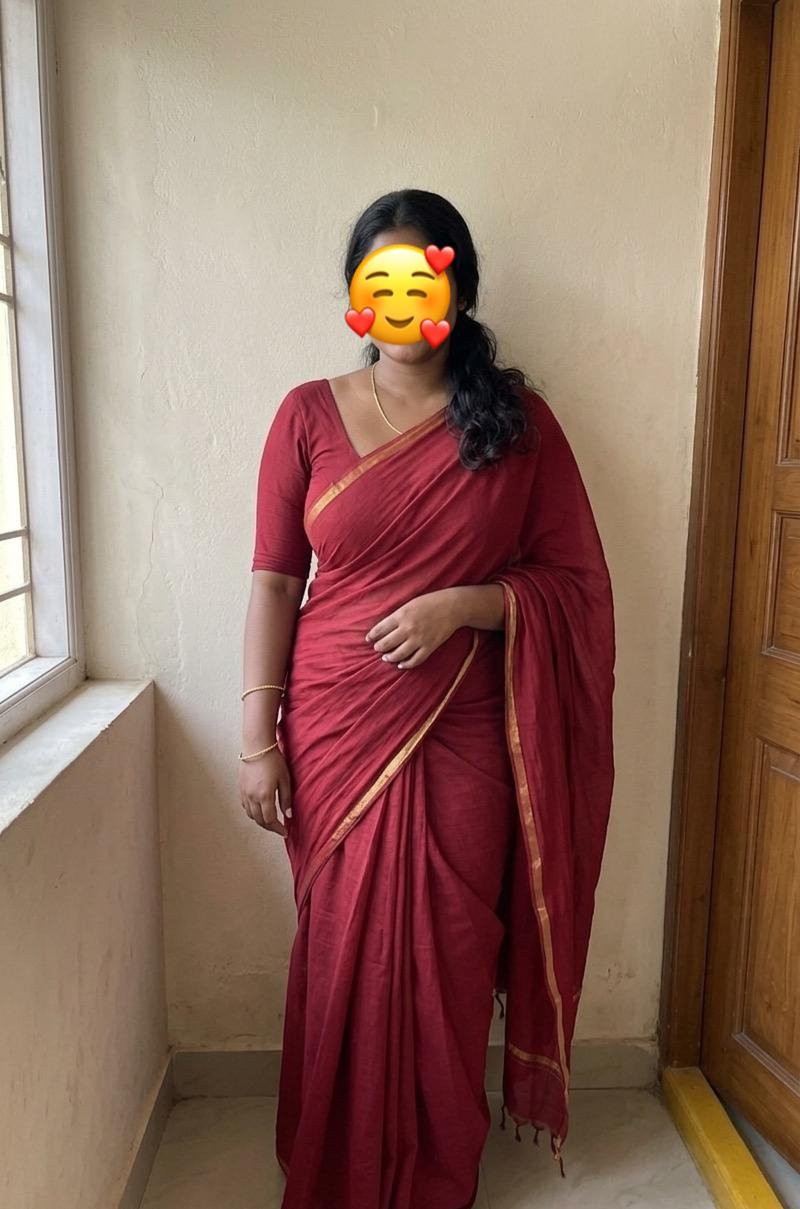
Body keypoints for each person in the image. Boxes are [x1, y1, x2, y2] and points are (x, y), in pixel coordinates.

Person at [239, 188, 615, 1209]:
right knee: (341, 946)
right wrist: (256, 738)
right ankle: (337, 1156)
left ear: (458, 290)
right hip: (330, 723)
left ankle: (434, 1166)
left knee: (449, 945)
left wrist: (465, 605)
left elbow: (574, 588)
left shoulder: (517, 426)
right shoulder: (305, 414)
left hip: (462, 724)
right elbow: (273, 582)